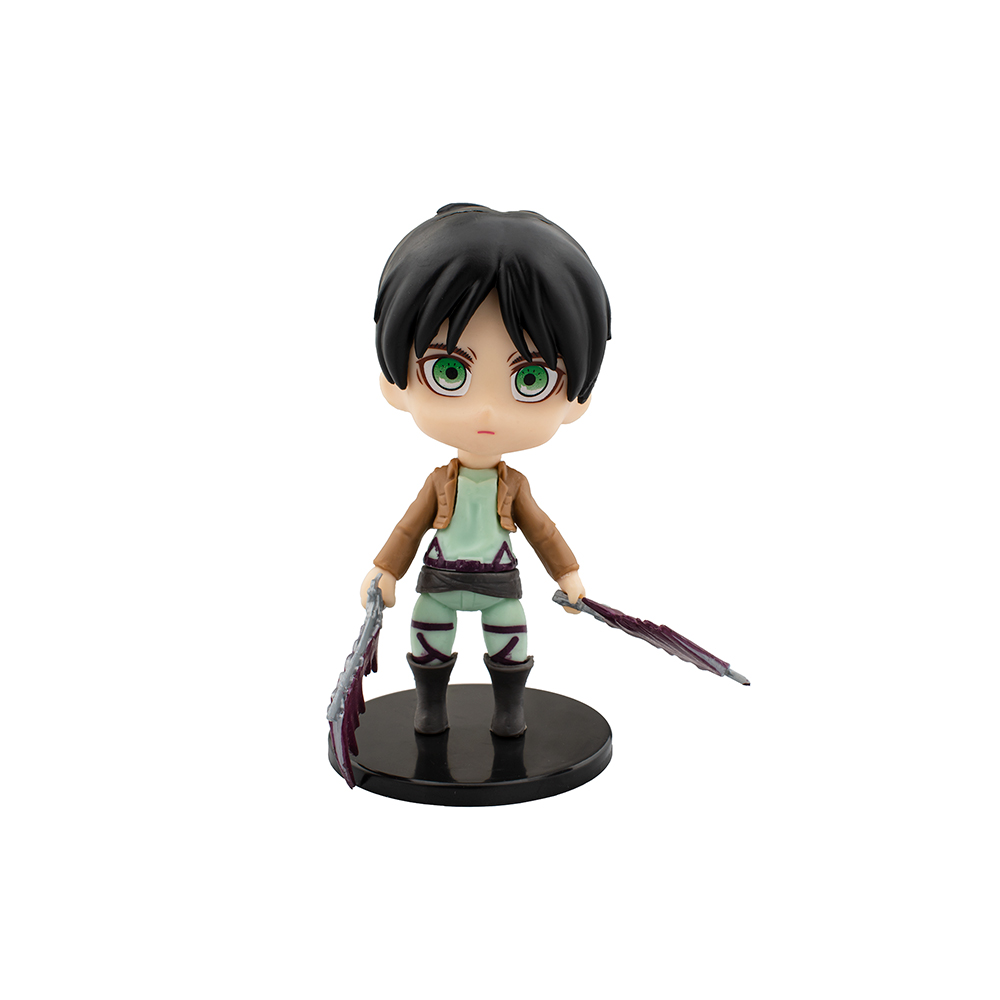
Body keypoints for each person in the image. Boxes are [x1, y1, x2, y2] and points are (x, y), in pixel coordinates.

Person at [359, 203, 611, 738]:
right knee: (428, 636)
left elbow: (542, 531)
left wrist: (567, 573)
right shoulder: (438, 483)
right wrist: (386, 570)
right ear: (393, 382)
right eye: (449, 371)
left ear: (577, 399)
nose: (488, 412)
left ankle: (509, 711)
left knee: (510, 640)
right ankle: (430, 709)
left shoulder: (514, 486)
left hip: (499, 583)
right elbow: (408, 529)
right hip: (441, 579)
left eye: (531, 380)